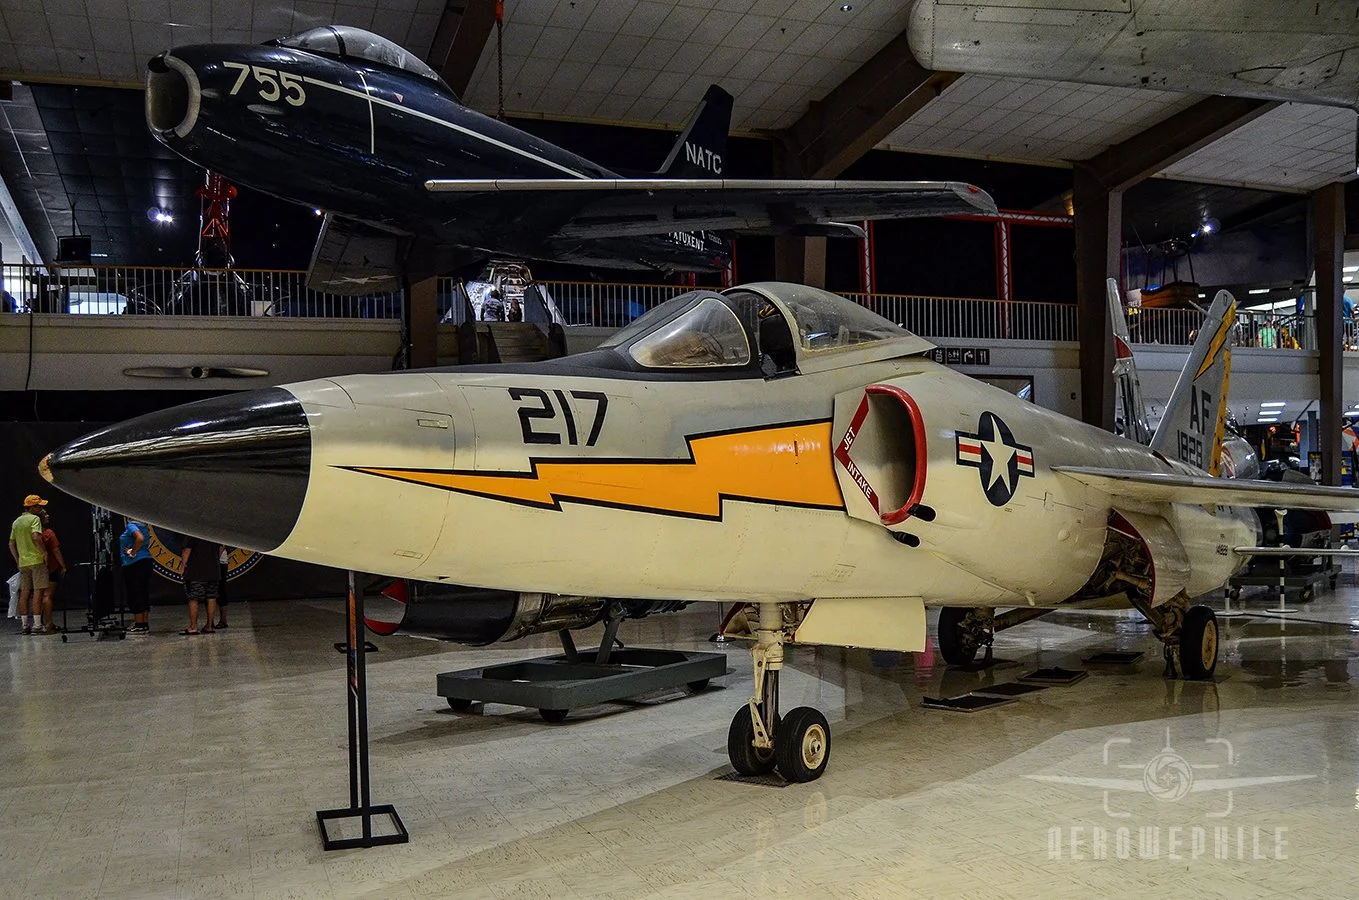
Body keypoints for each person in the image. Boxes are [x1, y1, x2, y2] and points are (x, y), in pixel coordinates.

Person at [8, 495, 49, 635]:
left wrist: (18, 559)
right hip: (36, 560)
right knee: (38, 592)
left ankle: (25, 625)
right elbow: (36, 537)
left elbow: (11, 543)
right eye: (38, 506)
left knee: (24, 593)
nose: (41, 508)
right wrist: (44, 552)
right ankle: (37, 625)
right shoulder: (34, 519)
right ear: (31, 507)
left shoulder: (16, 522)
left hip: (23, 562)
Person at [178, 535, 221, 635]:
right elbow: (221, 547)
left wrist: (183, 566)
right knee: (211, 597)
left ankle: (193, 627)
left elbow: (187, 549)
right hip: (213, 570)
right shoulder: (214, 532)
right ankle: (209, 626)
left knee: (193, 598)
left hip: (195, 571)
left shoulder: (193, 532)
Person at [120, 519, 153, 634]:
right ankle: (144, 623)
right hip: (146, 561)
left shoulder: (132, 525)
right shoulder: (145, 527)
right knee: (143, 593)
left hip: (134, 563)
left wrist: (133, 551)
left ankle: (139, 624)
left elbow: (140, 538)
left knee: (135, 593)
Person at [37, 508, 66, 634]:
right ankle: (48, 623)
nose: (48, 516)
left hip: (36, 567)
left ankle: (38, 623)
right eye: (45, 514)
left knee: (37, 596)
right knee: (47, 595)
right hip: (50, 567)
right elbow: (55, 550)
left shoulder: (31, 534)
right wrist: (63, 566)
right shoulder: (48, 533)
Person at [215, 546, 231, 629]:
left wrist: (215, 559)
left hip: (220, 563)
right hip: (212, 562)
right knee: (210, 592)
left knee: (221, 591)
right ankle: (210, 622)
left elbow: (222, 545)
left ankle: (223, 620)